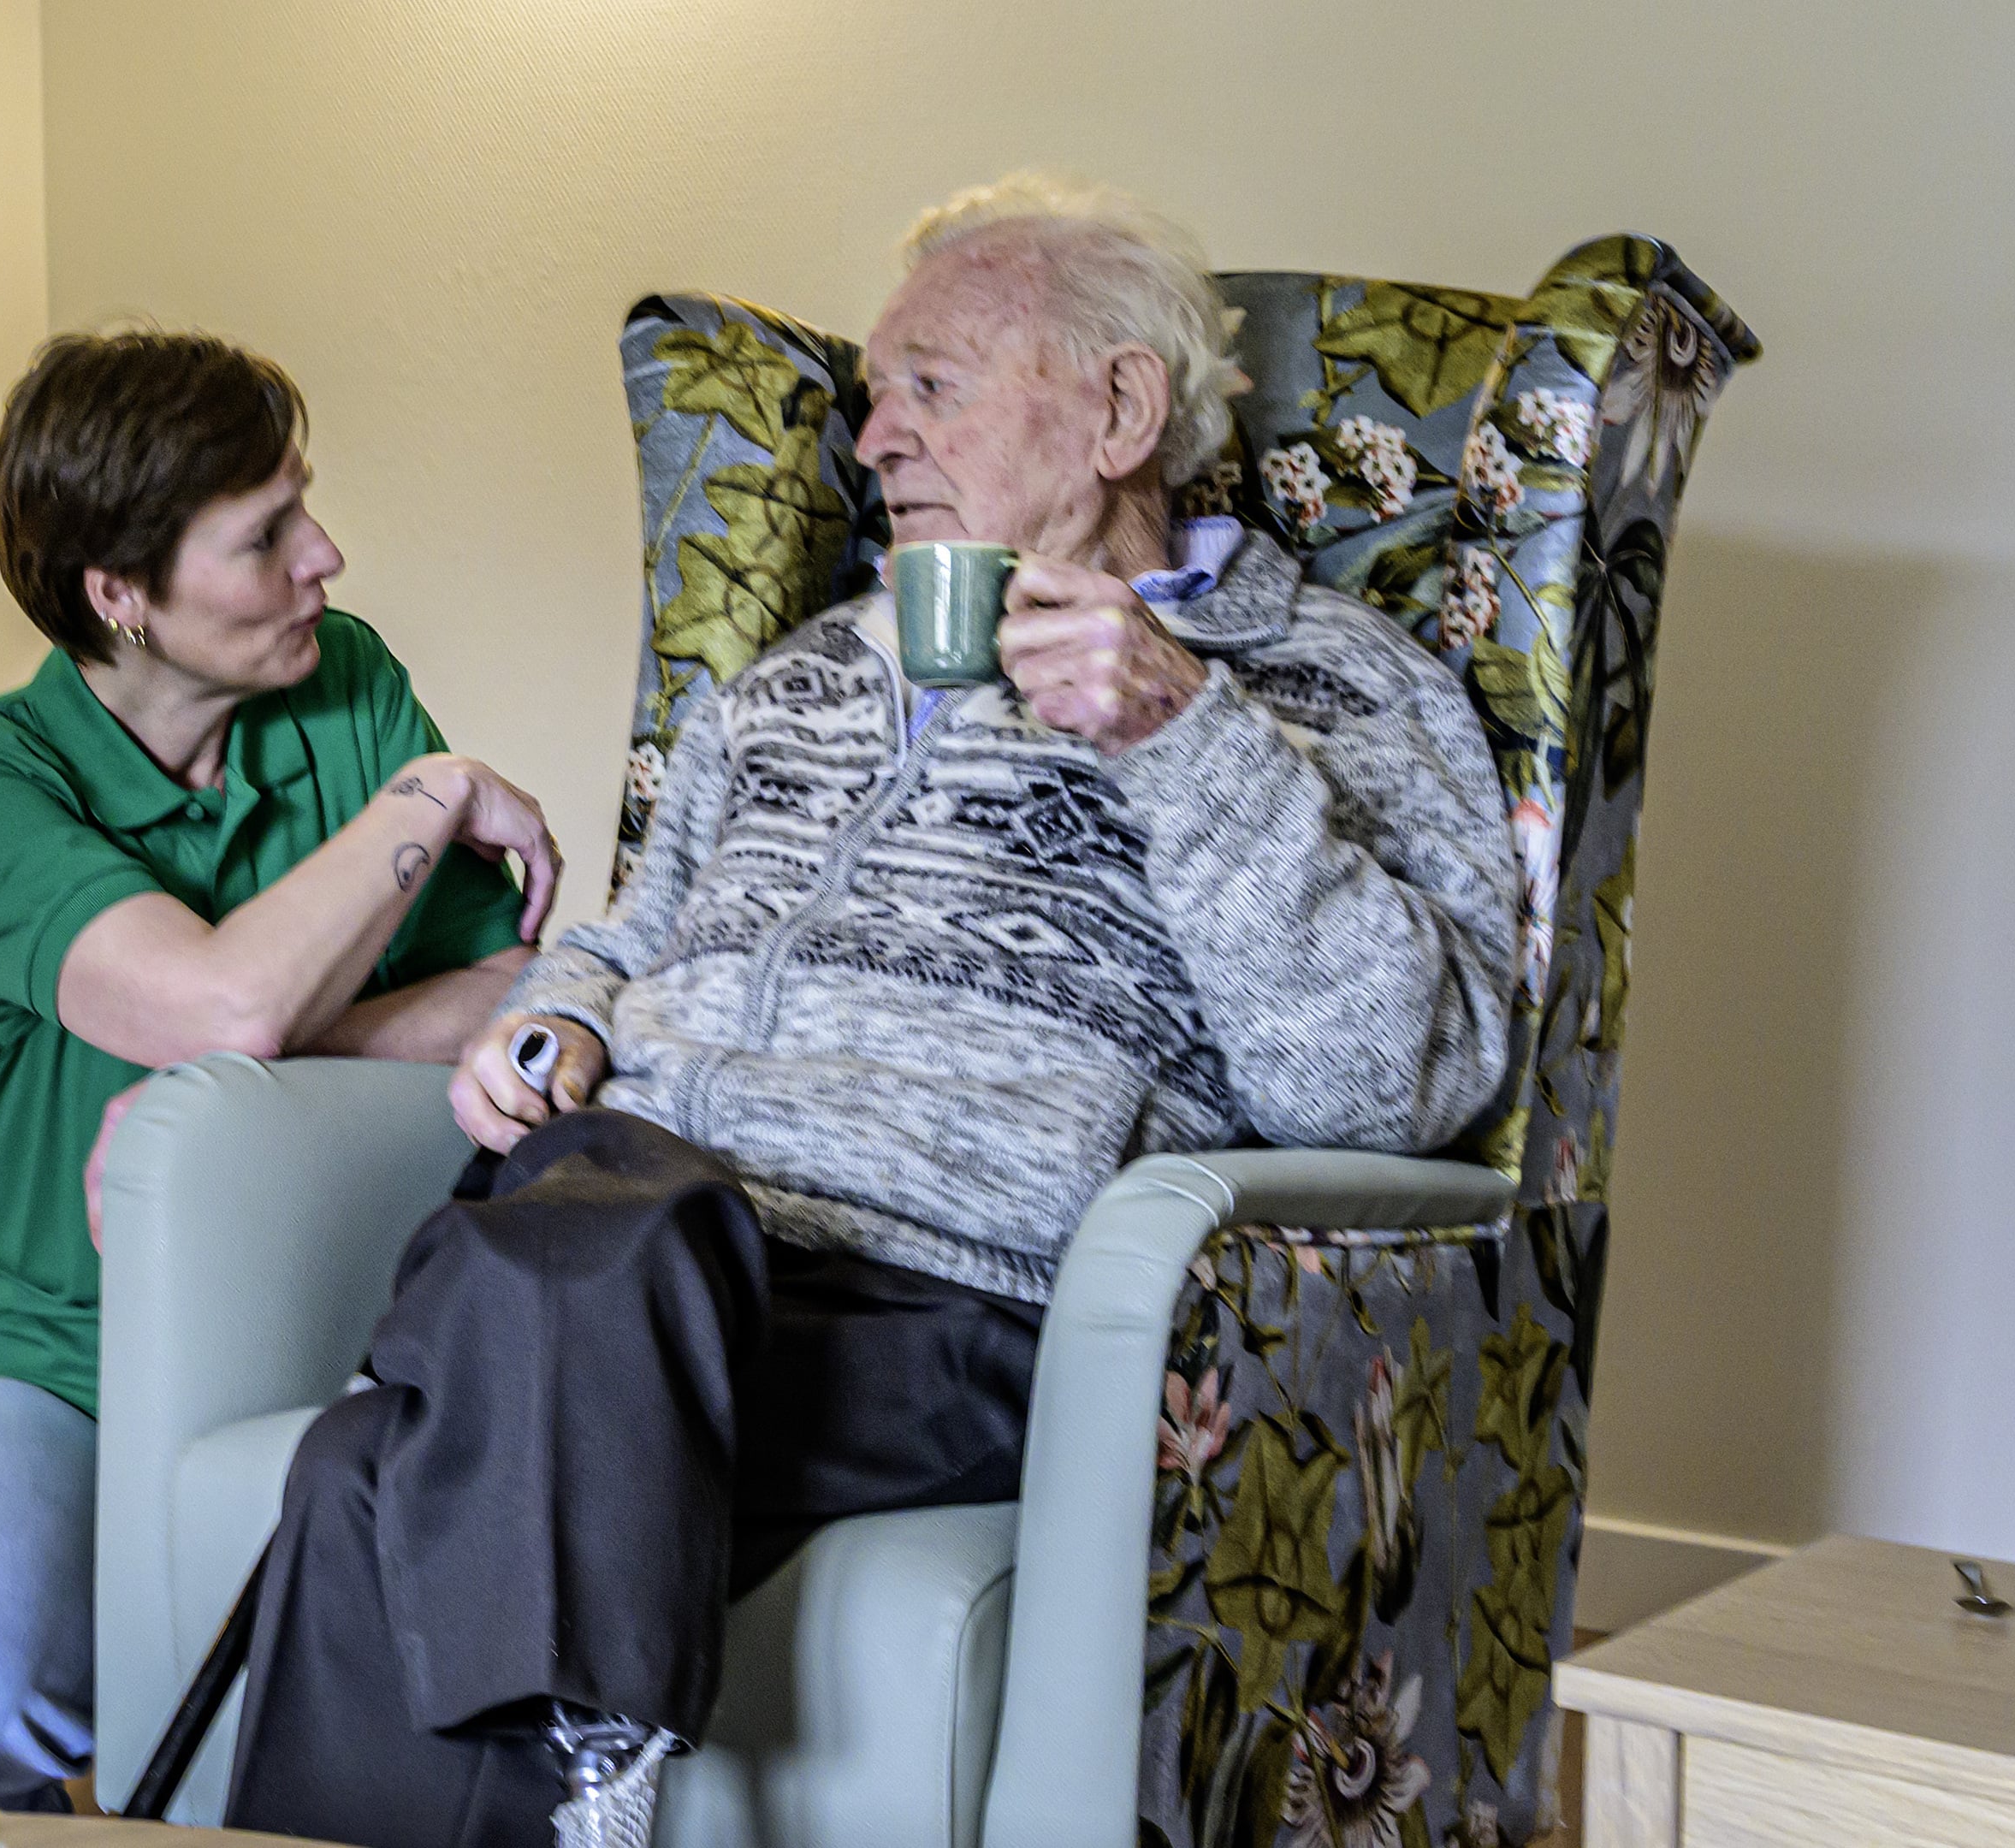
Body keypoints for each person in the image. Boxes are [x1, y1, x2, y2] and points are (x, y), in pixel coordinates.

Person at [220, 175, 1522, 1848]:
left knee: (389, 1451)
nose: (872, 440)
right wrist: (564, 1017)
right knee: (551, 1271)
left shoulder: (1328, 685)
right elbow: (634, 930)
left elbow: (1392, 1080)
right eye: (870, 397)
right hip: (640, 1224)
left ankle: (578, 1690)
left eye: (933, 387)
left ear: (1123, 407)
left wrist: (1184, 734)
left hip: (950, 1287)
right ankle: (593, 1749)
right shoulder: (799, 676)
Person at [0, 329, 563, 1812]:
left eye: (308, 505)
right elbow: (228, 1007)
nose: (325, 558)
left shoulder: (341, 684)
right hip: (53, 1357)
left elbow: (519, 986)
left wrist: (227, 1080)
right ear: (122, 598)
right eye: (265, 534)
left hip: (340, 1336)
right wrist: (435, 789)